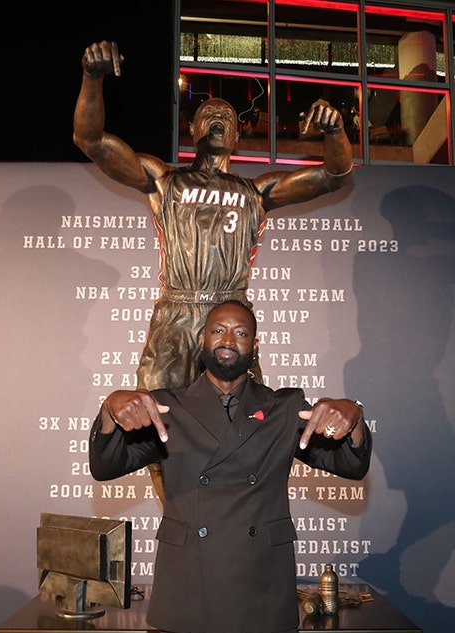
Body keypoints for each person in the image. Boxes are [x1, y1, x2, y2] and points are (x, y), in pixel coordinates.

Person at [74, 40, 355, 503]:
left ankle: (241, 518)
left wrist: (335, 132)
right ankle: (178, 520)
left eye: (229, 114)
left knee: (249, 422)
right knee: (157, 422)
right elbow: (92, 140)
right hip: (177, 315)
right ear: (192, 127)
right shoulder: (164, 180)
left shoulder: (256, 191)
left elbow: (336, 176)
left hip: (229, 316)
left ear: (239, 136)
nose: (219, 117)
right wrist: (92, 78)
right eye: (209, 113)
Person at [89, 300, 370, 633]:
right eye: (219, 330)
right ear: (202, 339)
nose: (228, 339)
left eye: (241, 333)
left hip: (263, 597)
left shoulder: (284, 408)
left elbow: (350, 465)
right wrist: (109, 409)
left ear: (255, 347)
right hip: (190, 593)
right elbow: (106, 466)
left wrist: (354, 416)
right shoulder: (166, 407)